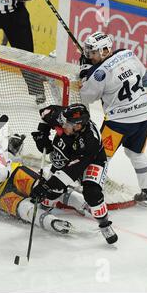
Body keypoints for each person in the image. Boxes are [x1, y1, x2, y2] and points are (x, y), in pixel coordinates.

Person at [79, 32, 147, 208]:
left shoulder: (99, 73)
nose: (89, 56)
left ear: (104, 50)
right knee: (135, 153)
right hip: (145, 115)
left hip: (119, 122)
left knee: (100, 156)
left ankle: (93, 195)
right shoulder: (128, 54)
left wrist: (85, 76)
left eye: (92, 52)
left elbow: (86, 96)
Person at [30, 103, 118, 244]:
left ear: (78, 126)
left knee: (92, 193)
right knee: (54, 191)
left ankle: (104, 225)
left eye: (67, 124)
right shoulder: (63, 116)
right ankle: (44, 209)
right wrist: (42, 135)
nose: (63, 126)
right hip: (69, 156)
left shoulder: (91, 140)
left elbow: (72, 171)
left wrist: (46, 186)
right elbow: (44, 115)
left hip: (92, 161)